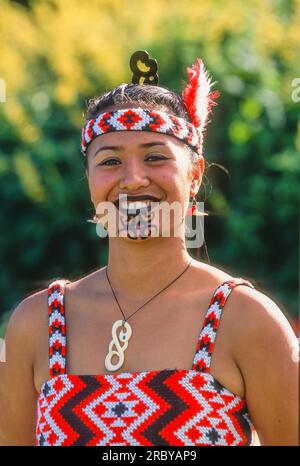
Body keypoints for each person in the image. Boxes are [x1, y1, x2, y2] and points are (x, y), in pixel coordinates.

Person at [0, 51, 298, 447]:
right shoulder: (35, 325)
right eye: (110, 161)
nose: (133, 179)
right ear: (88, 179)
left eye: (155, 157)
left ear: (194, 175)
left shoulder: (246, 320)